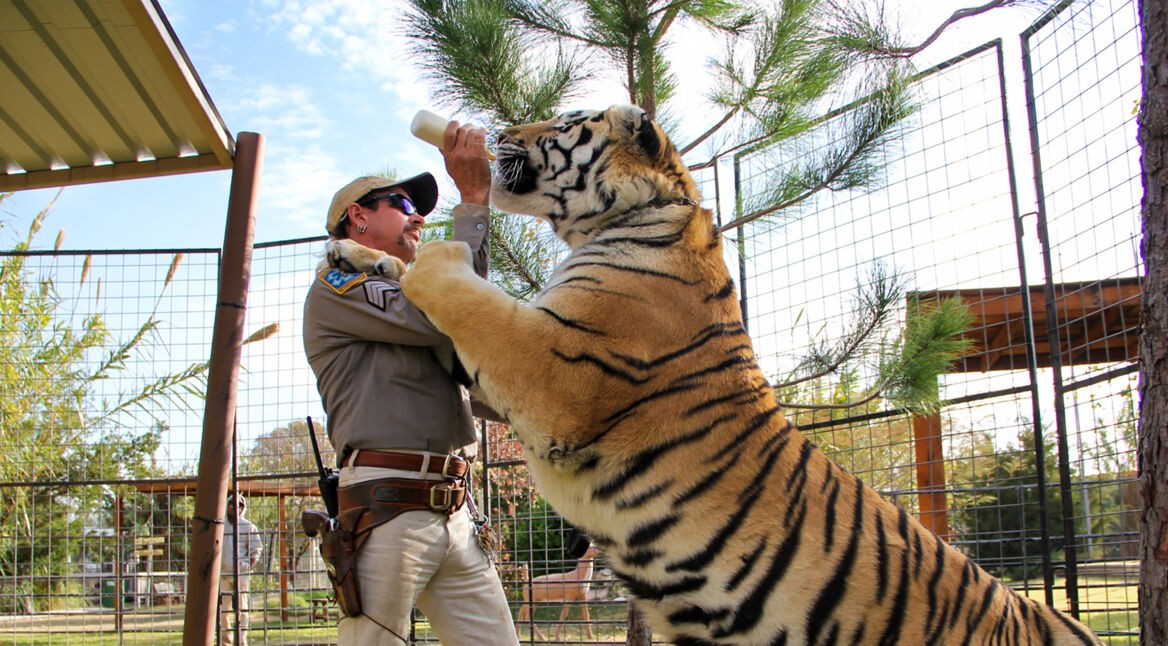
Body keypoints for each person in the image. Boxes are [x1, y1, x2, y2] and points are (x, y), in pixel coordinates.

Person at [302, 121, 517, 646]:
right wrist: (471, 200)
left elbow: (467, 328)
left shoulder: (412, 296)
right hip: (386, 507)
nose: (418, 214)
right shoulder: (340, 284)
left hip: (456, 511)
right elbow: (445, 313)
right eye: (400, 202)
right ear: (357, 218)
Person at [220, 493, 262, 646]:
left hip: (241, 574)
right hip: (222, 574)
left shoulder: (248, 526)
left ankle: (241, 642)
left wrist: (249, 566)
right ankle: (226, 642)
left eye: (239, 505)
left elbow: (256, 549)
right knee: (222, 610)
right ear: (227, 505)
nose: (234, 507)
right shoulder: (220, 524)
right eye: (232, 503)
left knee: (242, 609)